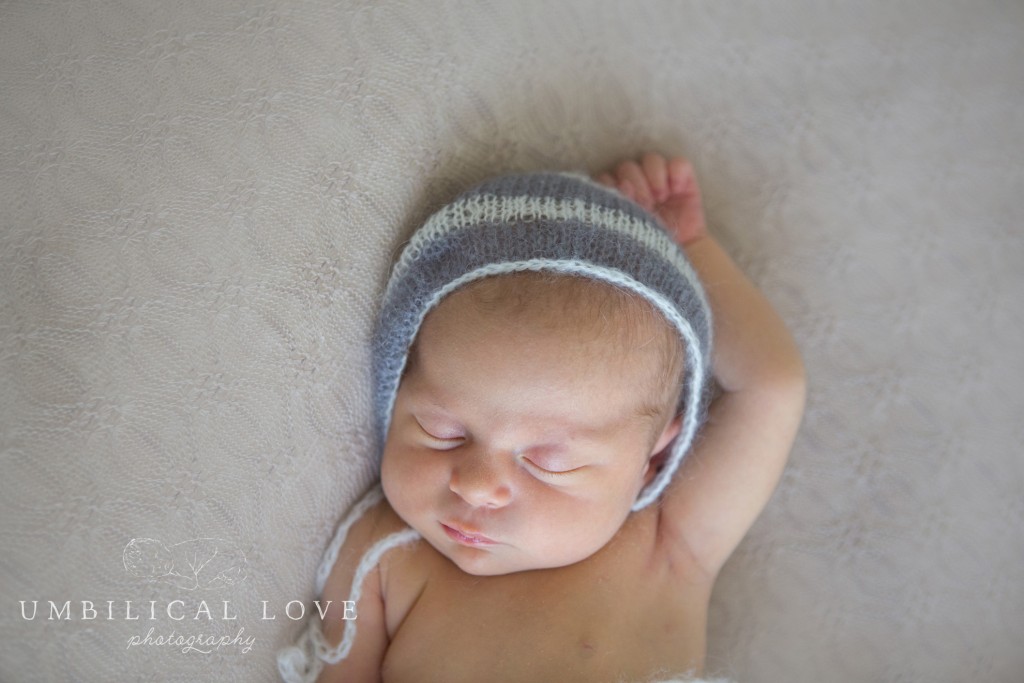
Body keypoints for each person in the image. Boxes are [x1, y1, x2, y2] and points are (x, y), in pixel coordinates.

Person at [277, 153, 807, 683]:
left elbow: (771, 389)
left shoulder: (668, 543)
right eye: (443, 431)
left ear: (652, 460)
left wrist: (691, 248)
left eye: (549, 462)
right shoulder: (380, 551)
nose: (477, 487)